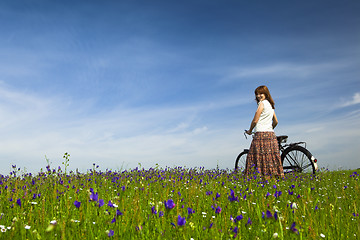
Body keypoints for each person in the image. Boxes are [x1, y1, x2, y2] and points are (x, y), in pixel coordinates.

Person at [244, 85, 284, 178]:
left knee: (256, 157)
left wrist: (250, 131)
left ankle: (258, 179)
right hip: (270, 135)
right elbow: (276, 121)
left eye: (261, 93)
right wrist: (269, 128)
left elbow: (255, 120)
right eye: (257, 94)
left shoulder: (261, 104)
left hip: (260, 135)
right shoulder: (271, 105)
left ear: (266, 94)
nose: (258, 96)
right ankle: (273, 179)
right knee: (270, 159)